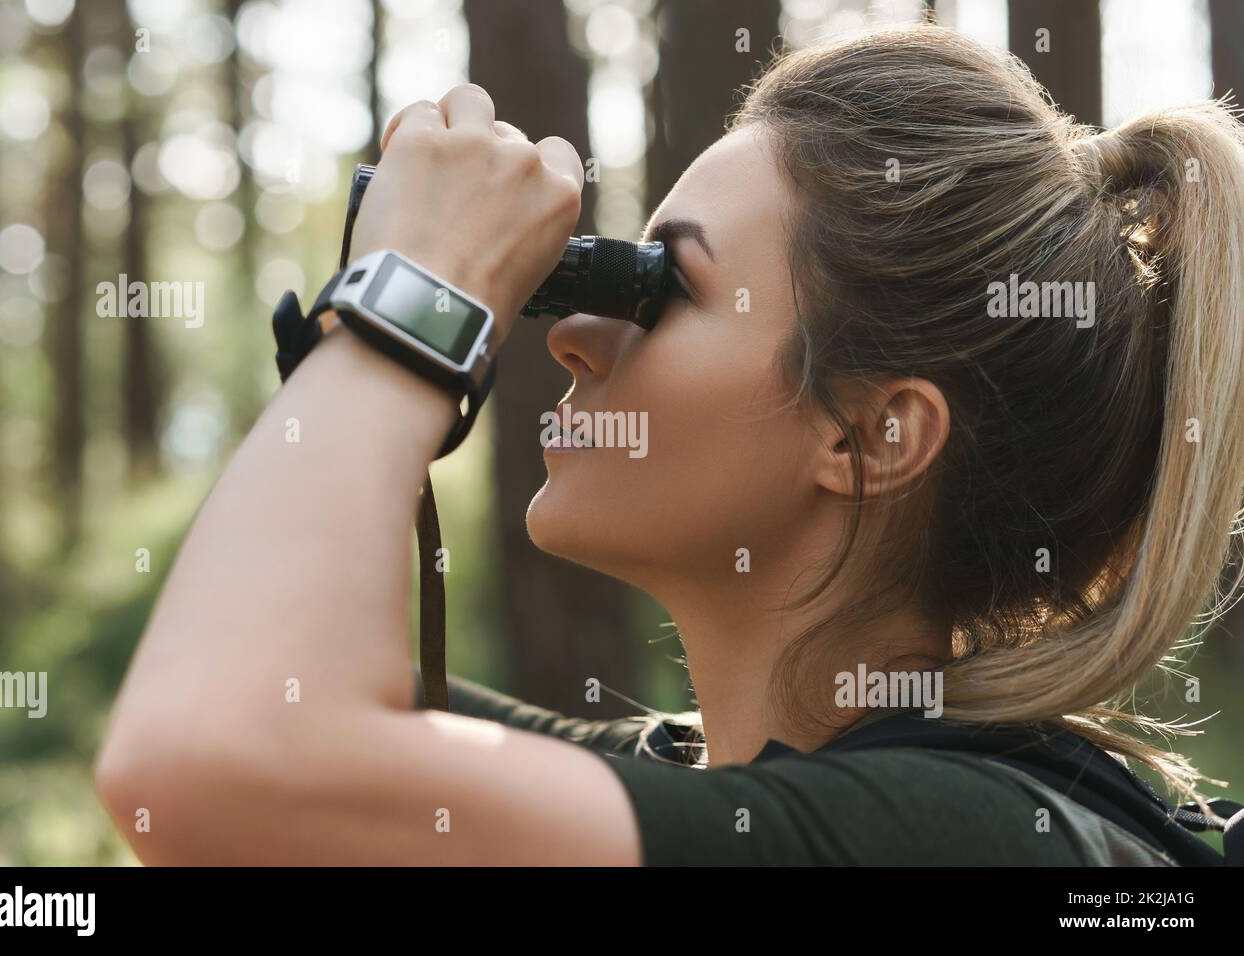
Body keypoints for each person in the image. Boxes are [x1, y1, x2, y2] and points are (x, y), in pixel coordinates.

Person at [93, 24, 1244, 865]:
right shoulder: (724, 786)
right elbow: (248, 656)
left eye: (666, 288)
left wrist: (411, 310)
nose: (577, 336)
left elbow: (205, 754)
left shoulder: (980, 840)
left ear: (871, 433)